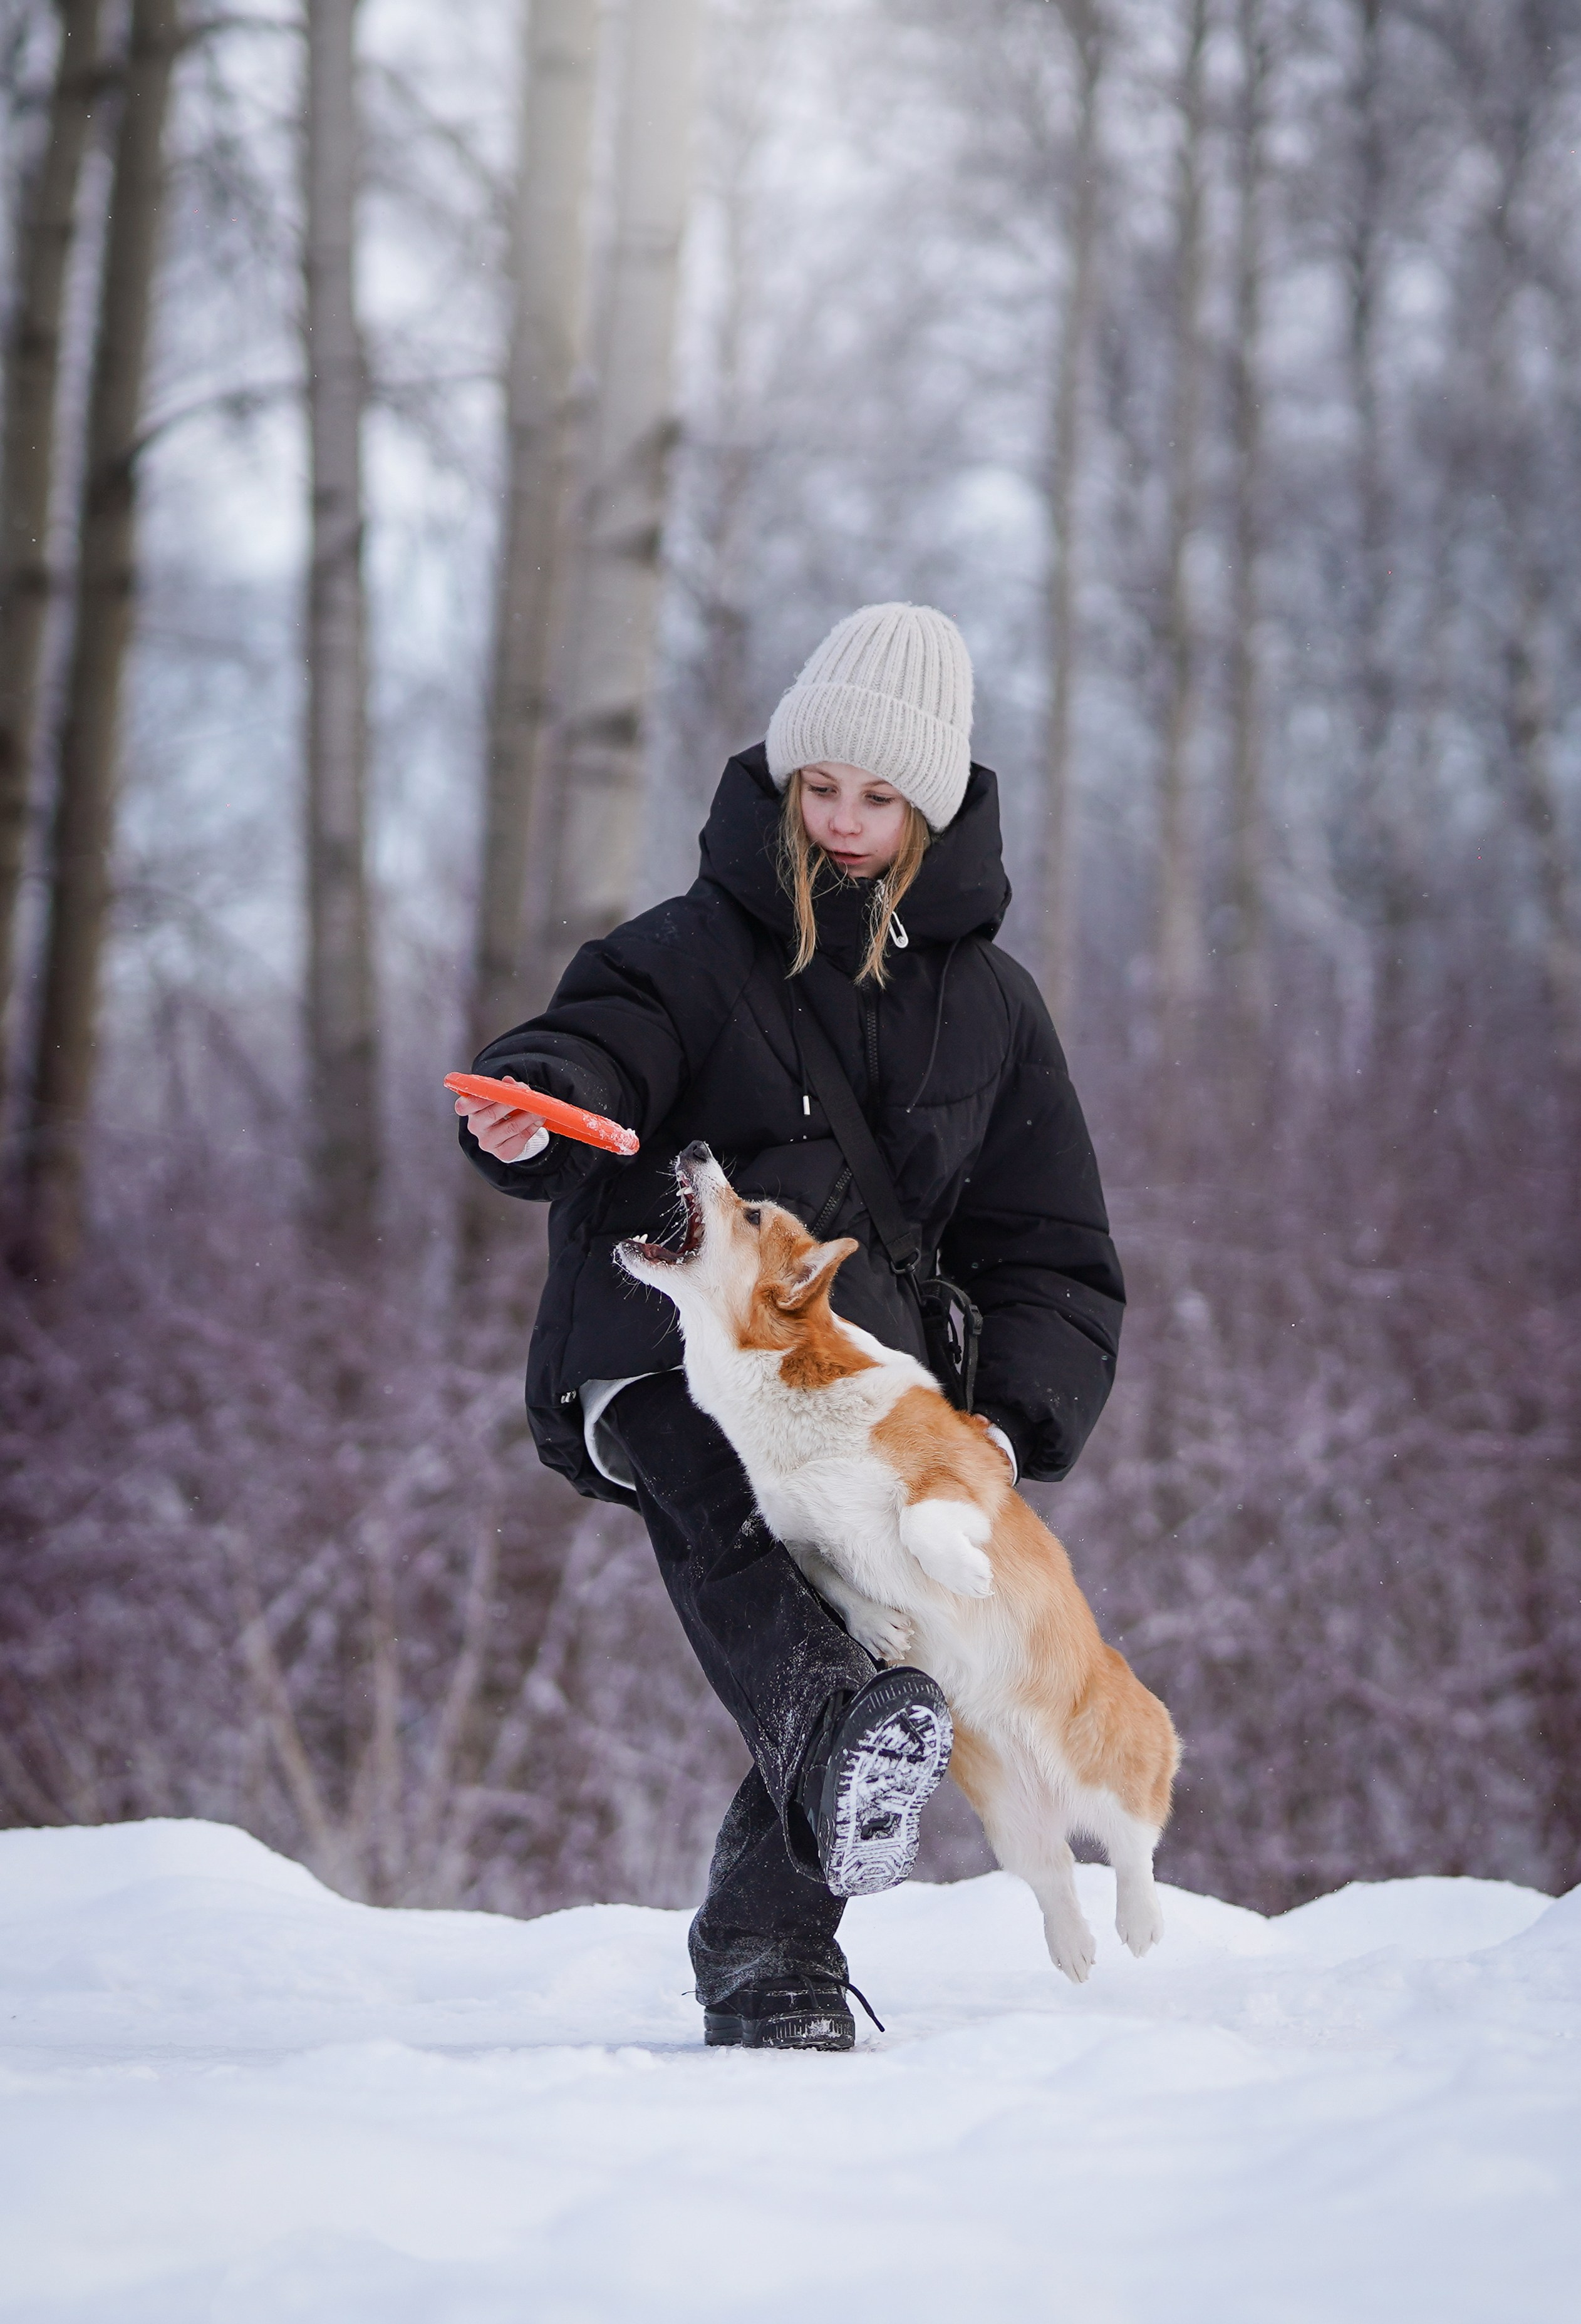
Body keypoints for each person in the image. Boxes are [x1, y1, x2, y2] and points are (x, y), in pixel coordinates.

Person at [457, 602, 1124, 2050]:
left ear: (931, 806)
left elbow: (1052, 1249)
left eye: (876, 796)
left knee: (896, 1637)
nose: (837, 817)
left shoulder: (996, 1013)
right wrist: (534, 1108)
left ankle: (769, 1949)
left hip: (853, 1392)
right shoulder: (687, 950)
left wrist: (999, 1428)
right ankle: (829, 1761)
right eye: (817, 783)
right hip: (664, 1353)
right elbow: (596, 1045)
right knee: (768, 1572)